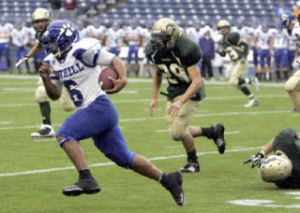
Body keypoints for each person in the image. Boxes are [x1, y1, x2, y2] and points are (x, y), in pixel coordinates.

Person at [39, 20, 184, 206]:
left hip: (99, 107)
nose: (51, 47)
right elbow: (55, 94)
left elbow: (114, 60)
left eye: (54, 42)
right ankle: (168, 179)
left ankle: (86, 178)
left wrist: (123, 78)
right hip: (93, 112)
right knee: (124, 158)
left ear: (66, 39)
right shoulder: (52, 61)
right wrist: (45, 79)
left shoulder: (82, 50)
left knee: (65, 133)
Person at [145, 18, 226, 173]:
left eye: (161, 38)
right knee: (176, 126)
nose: (157, 42)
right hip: (174, 89)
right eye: (156, 37)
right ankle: (213, 131)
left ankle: (193, 162)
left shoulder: (186, 49)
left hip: (191, 90)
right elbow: (158, 73)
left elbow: (196, 81)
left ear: (172, 36)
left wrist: (181, 101)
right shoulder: (153, 50)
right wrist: (154, 98)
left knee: (177, 133)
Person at [16, 8, 75, 138]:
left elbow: (65, 50)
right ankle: (47, 127)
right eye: (37, 22)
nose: (39, 24)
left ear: (48, 21)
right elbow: (39, 45)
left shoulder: (57, 32)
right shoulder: (41, 34)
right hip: (53, 68)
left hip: (67, 69)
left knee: (68, 107)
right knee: (40, 94)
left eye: (42, 21)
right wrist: (27, 56)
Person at [217, 19, 259, 108]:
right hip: (235, 62)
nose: (223, 29)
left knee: (233, 81)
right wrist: (219, 52)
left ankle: (251, 80)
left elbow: (245, 45)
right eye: (221, 28)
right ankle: (252, 99)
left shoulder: (233, 36)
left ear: (228, 28)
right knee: (236, 83)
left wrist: (244, 57)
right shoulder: (221, 41)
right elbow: (224, 54)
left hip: (241, 60)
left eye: (225, 28)